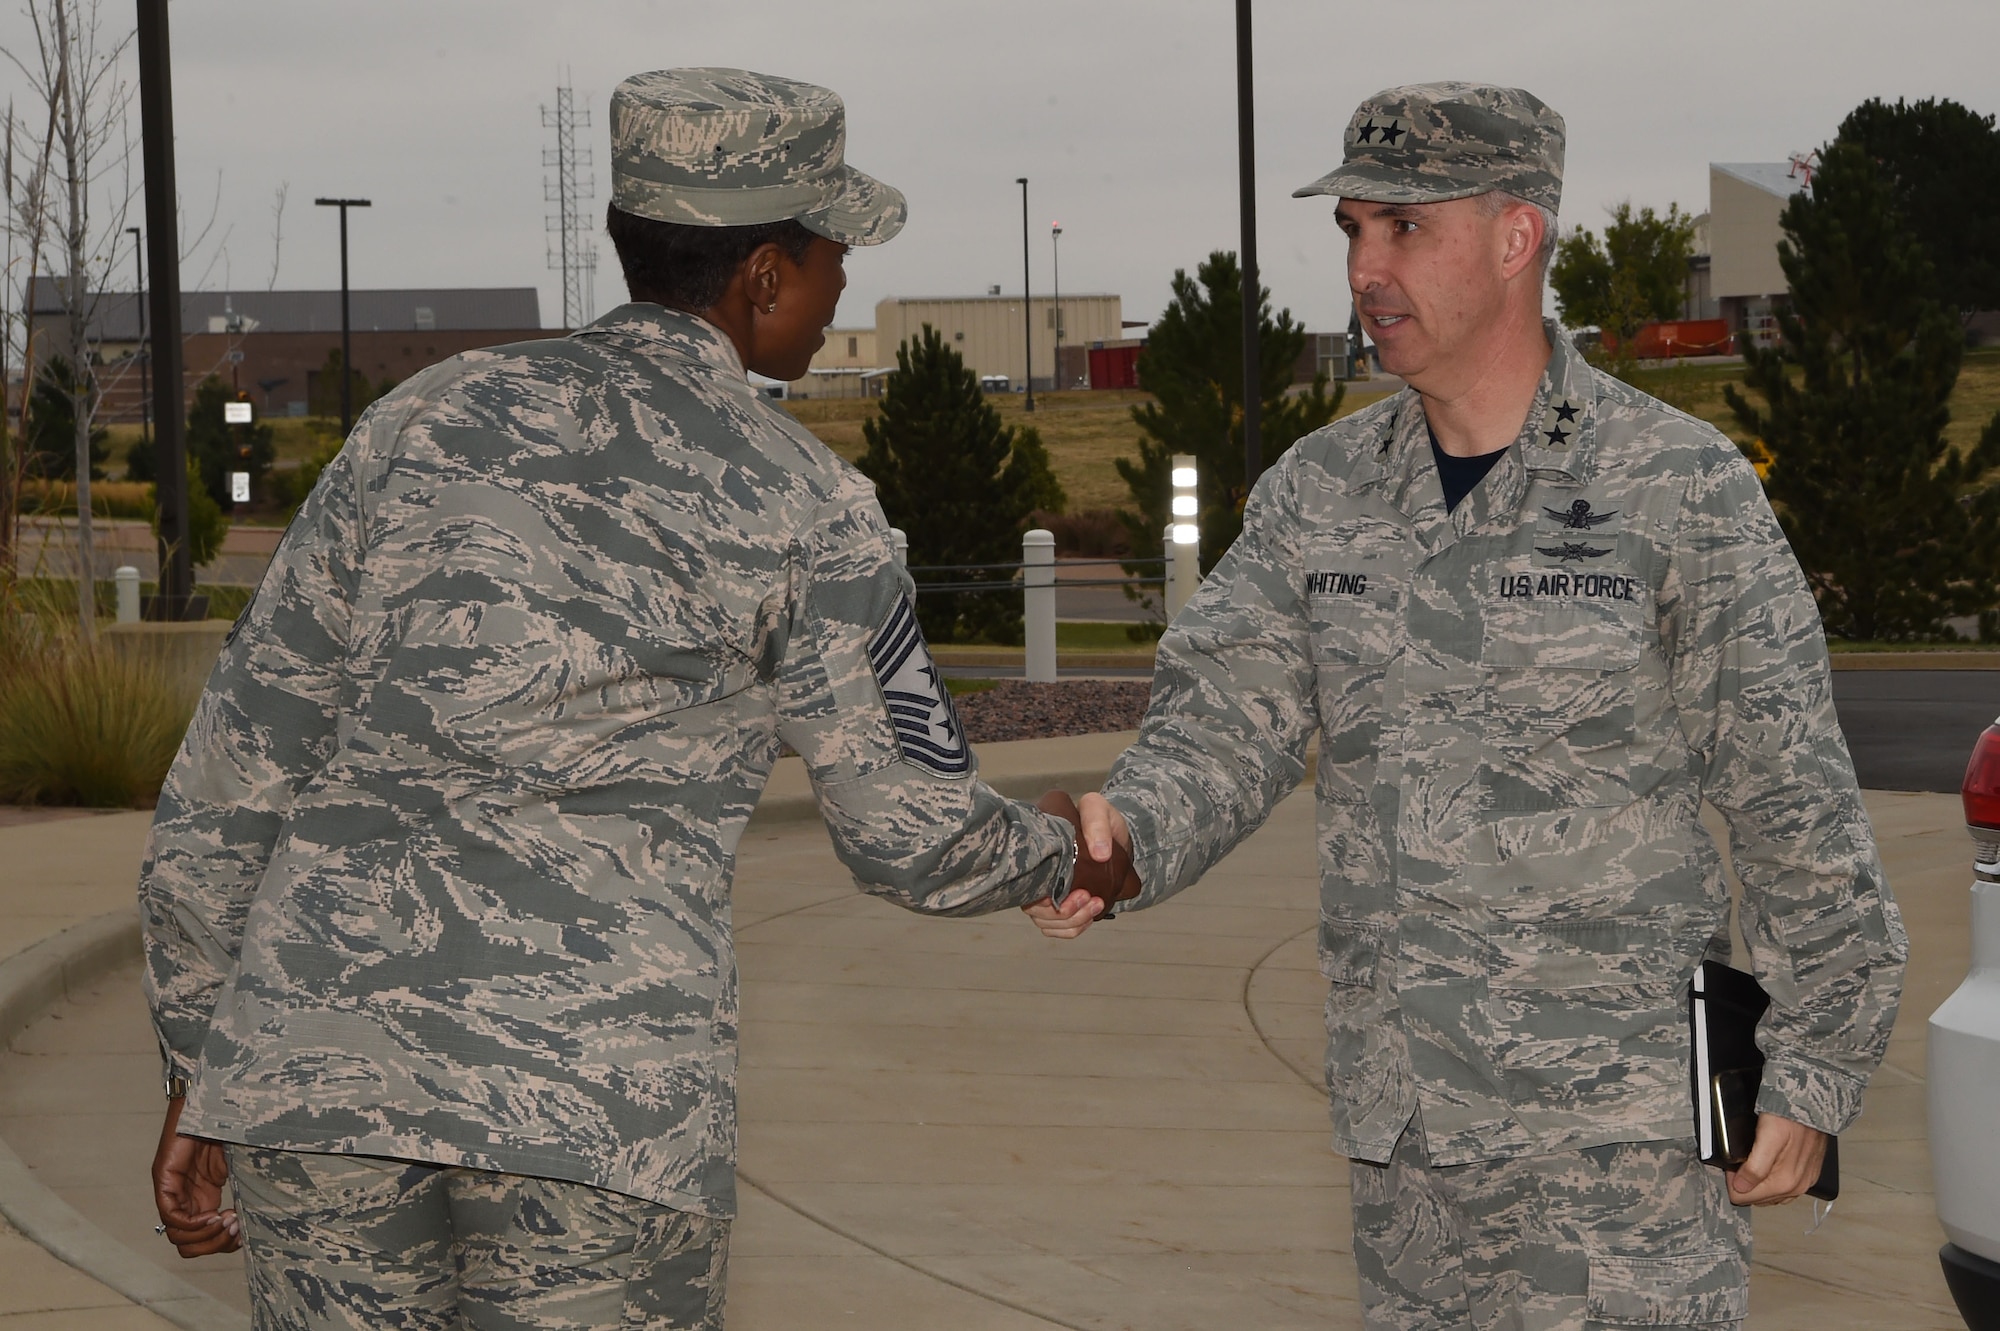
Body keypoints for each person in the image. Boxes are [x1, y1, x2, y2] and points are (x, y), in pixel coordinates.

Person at [142, 67, 1123, 1329]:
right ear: (764, 273)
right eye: (830, 257)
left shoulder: (416, 424)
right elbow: (909, 831)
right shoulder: (805, 501)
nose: (839, 292)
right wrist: (1071, 856)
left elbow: (228, 784)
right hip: (595, 1113)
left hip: (317, 1088)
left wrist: (199, 1060)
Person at [1027, 82, 1907, 1330]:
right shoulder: (1320, 491)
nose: (1365, 269)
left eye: (1401, 228)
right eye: (1351, 233)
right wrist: (1118, 842)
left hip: (1620, 1157)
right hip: (1408, 1155)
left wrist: (1812, 1068)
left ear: (1514, 236)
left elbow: (1791, 799)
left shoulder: (1673, 489)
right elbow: (1221, 716)